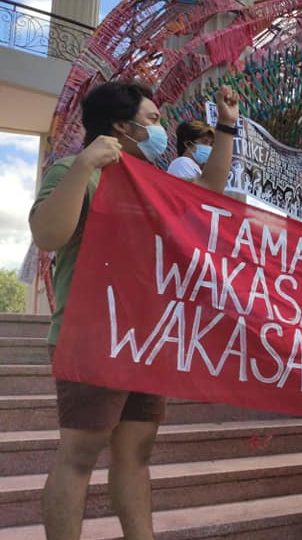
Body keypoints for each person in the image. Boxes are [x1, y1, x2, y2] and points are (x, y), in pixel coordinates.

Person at [30, 82, 239, 540]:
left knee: (137, 454)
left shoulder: (156, 183)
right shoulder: (73, 169)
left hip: (145, 339)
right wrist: (85, 163)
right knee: (80, 455)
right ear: (122, 128)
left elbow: (209, 188)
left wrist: (227, 125)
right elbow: (48, 235)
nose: (160, 129)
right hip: (91, 338)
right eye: (151, 120)